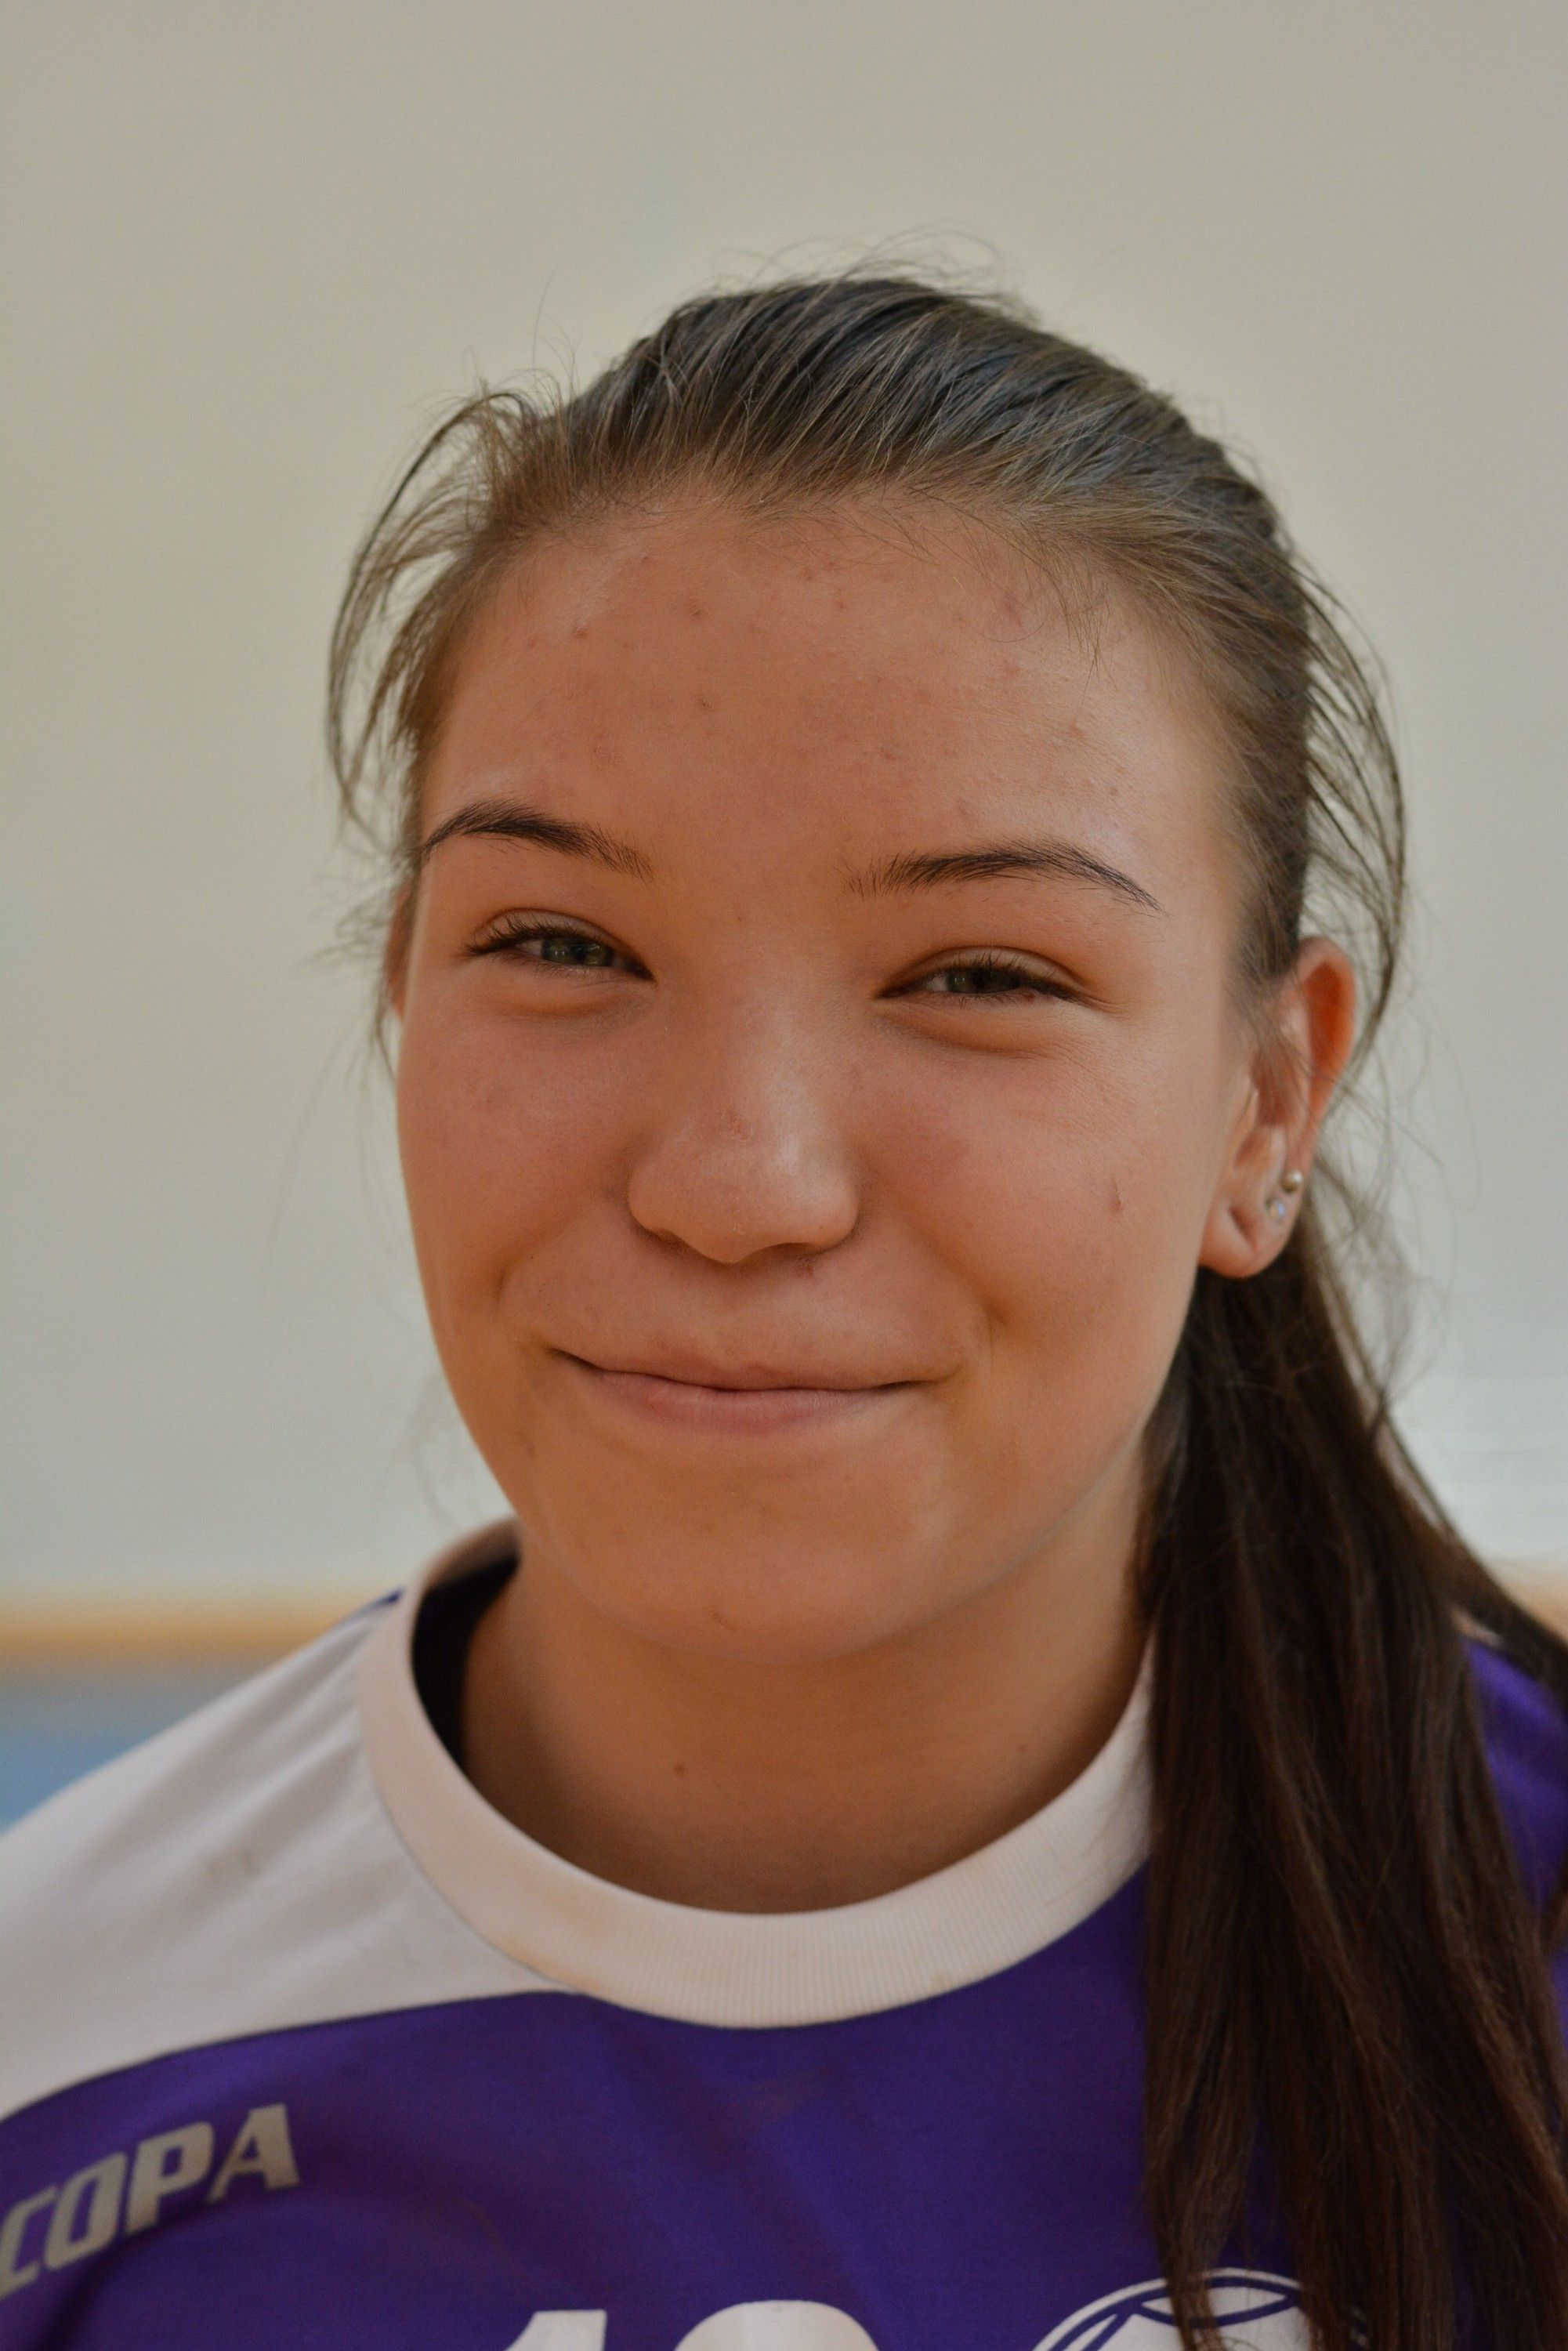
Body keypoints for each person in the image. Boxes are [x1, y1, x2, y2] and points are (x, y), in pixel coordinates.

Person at [1, 270, 1564, 2351]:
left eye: (980, 976)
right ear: (401, 1000)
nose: (739, 1186)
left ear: (1264, 1101)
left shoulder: (1522, 1950)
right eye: (562, 944)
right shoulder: (60, 2041)